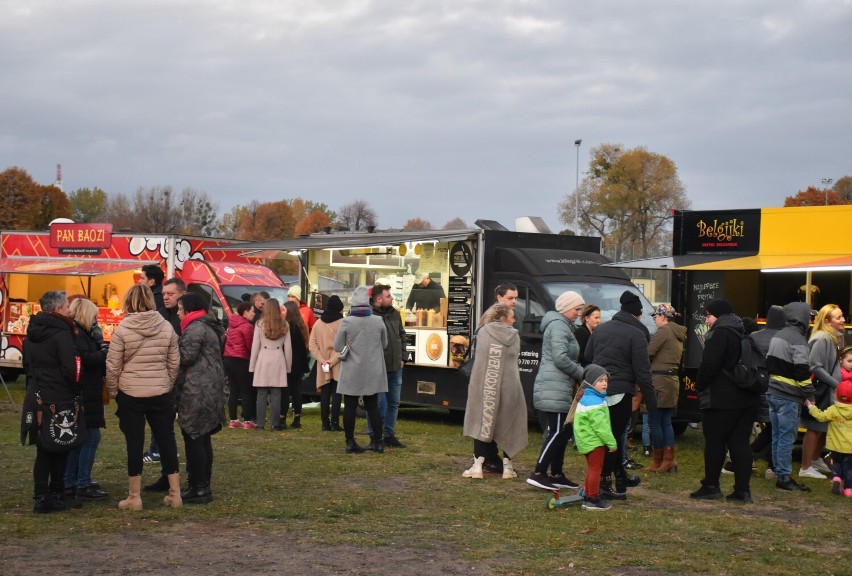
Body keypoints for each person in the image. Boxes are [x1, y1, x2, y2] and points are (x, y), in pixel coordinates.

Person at [105, 284, 181, 510]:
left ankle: (134, 496)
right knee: (167, 441)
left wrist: (113, 391)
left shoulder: (123, 328)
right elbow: (174, 361)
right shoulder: (166, 326)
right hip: (160, 391)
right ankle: (175, 494)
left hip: (131, 392)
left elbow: (112, 365)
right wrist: (167, 382)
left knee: (134, 443)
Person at [584, 291, 657, 501]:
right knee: (613, 439)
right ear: (637, 315)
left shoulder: (601, 328)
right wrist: (651, 403)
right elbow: (643, 372)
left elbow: (588, 356)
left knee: (605, 437)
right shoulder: (637, 335)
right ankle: (605, 483)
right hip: (620, 392)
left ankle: (620, 477)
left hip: (597, 391)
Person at [689, 298, 762, 503]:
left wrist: (700, 385)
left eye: (708, 315)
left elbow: (710, 365)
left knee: (715, 441)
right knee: (740, 443)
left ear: (717, 315)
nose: (707, 320)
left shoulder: (721, 333)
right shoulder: (742, 330)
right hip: (747, 397)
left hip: (722, 398)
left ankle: (711, 485)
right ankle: (742, 491)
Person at [21, 291, 81, 513]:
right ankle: (55, 493)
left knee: (43, 447)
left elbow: (26, 366)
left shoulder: (32, 333)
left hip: (37, 394)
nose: (69, 310)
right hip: (60, 396)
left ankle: (41, 495)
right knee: (60, 446)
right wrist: (77, 388)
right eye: (66, 306)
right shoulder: (61, 334)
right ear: (57, 309)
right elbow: (70, 369)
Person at [527, 290, 585, 491]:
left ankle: (557, 473)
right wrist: (580, 372)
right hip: (555, 386)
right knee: (558, 430)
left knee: (564, 429)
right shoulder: (559, 326)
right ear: (567, 308)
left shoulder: (563, 326)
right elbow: (560, 358)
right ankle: (539, 472)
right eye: (577, 309)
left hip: (559, 385)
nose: (579, 313)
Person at [461, 302, 528, 478]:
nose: (514, 321)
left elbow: (480, 360)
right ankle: (508, 467)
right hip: (510, 387)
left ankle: (477, 466)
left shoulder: (482, 332)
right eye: (512, 317)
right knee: (509, 423)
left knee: (481, 420)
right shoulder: (514, 336)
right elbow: (514, 361)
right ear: (502, 317)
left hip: (485, 387)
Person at [175, 293, 228, 504]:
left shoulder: (195, 328)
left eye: (180, 309)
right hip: (210, 388)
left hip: (198, 389)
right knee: (202, 437)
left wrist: (169, 350)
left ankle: (199, 488)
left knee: (194, 436)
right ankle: (201, 485)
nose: (178, 313)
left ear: (189, 309)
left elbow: (185, 357)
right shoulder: (208, 326)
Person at [765, 301, 816, 492]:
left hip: (772, 393)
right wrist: (810, 396)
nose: (810, 320)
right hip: (788, 397)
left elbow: (769, 363)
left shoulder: (778, 335)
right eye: (809, 316)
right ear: (802, 318)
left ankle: (779, 472)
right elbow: (802, 372)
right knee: (787, 437)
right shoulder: (798, 340)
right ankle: (784, 478)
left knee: (777, 436)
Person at [142, 276, 186, 492]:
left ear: (182, 295)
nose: (166, 297)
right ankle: (166, 475)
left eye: (171, 294)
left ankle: (182, 478)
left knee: (180, 431)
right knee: (162, 428)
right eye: (164, 294)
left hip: (181, 381)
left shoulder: (185, 320)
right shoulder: (160, 315)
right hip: (161, 379)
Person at [64, 297, 109, 502]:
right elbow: (86, 359)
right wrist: (103, 354)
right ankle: (81, 482)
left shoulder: (77, 333)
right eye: (94, 316)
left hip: (84, 392)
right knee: (90, 438)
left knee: (79, 439)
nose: (96, 320)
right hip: (86, 392)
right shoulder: (79, 335)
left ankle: (72, 481)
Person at [335, 285, 388, 453]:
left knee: (350, 406)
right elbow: (384, 344)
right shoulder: (378, 321)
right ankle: (378, 442)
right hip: (372, 369)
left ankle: (350, 442)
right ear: (368, 302)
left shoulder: (347, 322)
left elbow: (338, 346)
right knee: (373, 406)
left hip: (351, 370)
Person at [802, 304, 845, 479]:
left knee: (823, 425)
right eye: (838, 317)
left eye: (842, 316)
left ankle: (814, 458)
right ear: (827, 321)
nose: (843, 320)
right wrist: (836, 383)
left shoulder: (835, 338)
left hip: (829, 389)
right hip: (821, 389)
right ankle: (805, 467)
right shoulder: (822, 339)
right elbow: (815, 366)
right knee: (814, 426)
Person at [646, 304, 686, 473]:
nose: (654, 320)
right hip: (671, 380)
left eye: (655, 317)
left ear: (663, 316)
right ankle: (668, 460)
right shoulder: (678, 332)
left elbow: (648, 352)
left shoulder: (664, 331)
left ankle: (659, 460)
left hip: (659, 380)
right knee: (666, 421)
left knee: (655, 422)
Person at [573, 364, 618, 511]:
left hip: (586, 440)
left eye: (606, 380)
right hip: (594, 442)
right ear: (591, 383)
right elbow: (602, 428)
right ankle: (592, 499)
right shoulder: (595, 403)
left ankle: (587, 494)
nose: (604, 383)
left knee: (592, 469)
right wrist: (611, 443)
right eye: (600, 380)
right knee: (595, 470)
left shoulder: (587, 398)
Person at [748, 305, 786, 479]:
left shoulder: (754, 337)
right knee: (775, 428)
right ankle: (770, 464)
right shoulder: (783, 339)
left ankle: (748, 455)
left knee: (768, 428)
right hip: (776, 388)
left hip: (755, 387)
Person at [371, 283, 407, 448]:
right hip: (378, 368)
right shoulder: (370, 316)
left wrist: (404, 357)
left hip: (395, 366)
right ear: (378, 299)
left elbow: (402, 335)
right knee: (377, 403)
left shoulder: (395, 314)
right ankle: (375, 435)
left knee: (394, 402)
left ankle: (389, 434)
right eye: (388, 296)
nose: (392, 298)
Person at [804, 380, 852, 496]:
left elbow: (821, 417)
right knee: (849, 468)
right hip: (850, 448)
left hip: (835, 446)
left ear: (837, 395)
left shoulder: (833, 410)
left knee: (836, 463)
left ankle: (836, 478)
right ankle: (848, 490)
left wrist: (811, 406)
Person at [249, 298, 291, 431]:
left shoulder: (259, 324)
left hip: (263, 357)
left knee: (261, 394)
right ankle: (275, 424)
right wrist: (288, 366)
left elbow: (255, 346)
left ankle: (260, 424)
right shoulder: (284, 324)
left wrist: (252, 365)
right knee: (276, 394)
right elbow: (288, 348)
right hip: (278, 358)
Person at [309, 295, 344, 431]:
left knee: (324, 393)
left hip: (322, 364)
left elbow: (312, 345)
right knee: (336, 394)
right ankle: (335, 423)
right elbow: (346, 345)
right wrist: (333, 360)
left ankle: (325, 423)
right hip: (338, 363)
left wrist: (322, 359)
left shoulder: (318, 324)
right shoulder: (343, 323)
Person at [224, 302, 256, 429]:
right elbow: (250, 346)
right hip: (241, 360)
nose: (254, 313)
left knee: (233, 390)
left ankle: (233, 419)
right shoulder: (247, 327)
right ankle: (247, 421)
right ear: (245, 312)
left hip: (228, 359)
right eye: (252, 310)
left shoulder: (232, 325)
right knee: (246, 391)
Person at [283, 300, 309, 429]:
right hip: (299, 363)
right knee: (297, 391)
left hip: (289, 362)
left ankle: (282, 416)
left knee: (285, 391)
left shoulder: (288, 326)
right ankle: (297, 417)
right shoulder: (301, 325)